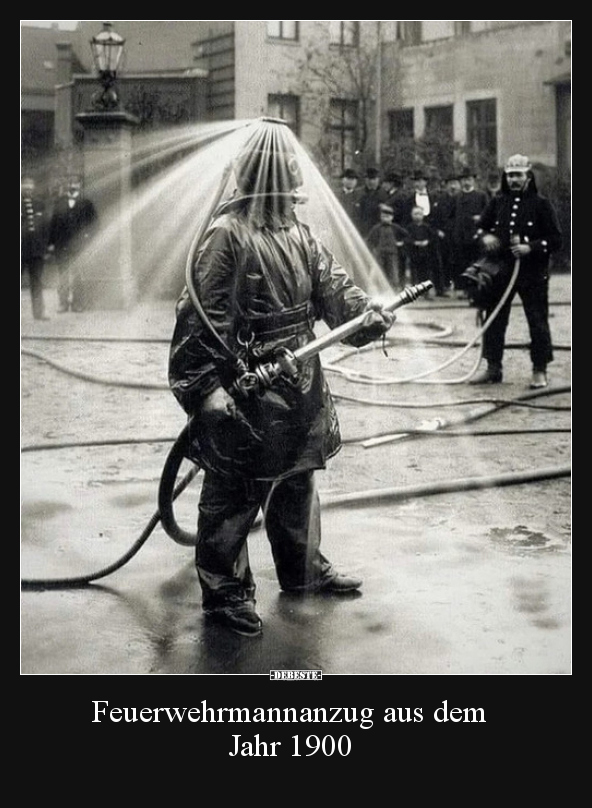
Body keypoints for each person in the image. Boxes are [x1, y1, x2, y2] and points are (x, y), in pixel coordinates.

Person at [168, 122, 395, 637]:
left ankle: (303, 571)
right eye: (285, 180)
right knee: (234, 489)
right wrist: (205, 390)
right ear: (260, 180)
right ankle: (225, 594)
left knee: (297, 479)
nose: (293, 191)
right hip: (246, 384)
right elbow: (198, 321)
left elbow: (333, 288)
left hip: (299, 382)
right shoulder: (226, 237)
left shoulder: (299, 233)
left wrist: (366, 313)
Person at [469, 154, 563, 388]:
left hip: (533, 273)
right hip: (501, 270)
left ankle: (539, 369)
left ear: (528, 176)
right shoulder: (498, 202)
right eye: (510, 175)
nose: (514, 180)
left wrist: (529, 247)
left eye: (518, 175)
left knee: (537, 320)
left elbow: (556, 239)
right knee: (495, 318)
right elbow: (479, 228)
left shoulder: (541, 204)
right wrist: (487, 235)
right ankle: (493, 367)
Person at [47, 175, 98, 312]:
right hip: (61, 245)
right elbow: (53, 224)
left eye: (75, 183)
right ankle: (63, 304)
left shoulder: (86, 202)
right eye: (70, 182)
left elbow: (94, 223)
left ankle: (78, 304)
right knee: (62, 276)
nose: (72, 185)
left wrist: (88, 238)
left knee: (78, 275)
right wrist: (51, 243)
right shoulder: (59, 202)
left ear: (80, 184)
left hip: (79, 246)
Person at [450, 168, 489, 297]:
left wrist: (481, 218)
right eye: (464, 180)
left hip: (476, 234)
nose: (466, 182)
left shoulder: (481, 196)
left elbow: (489, 214)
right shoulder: (456, 197)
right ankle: (462, 289)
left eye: (469, 179)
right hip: (460, 236)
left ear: (473, 180)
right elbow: (451, 216)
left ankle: (474, 290)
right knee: (461, 263)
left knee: (475, 263)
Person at [21, 175, 49, 320]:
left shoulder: (40, 204)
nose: (27, 187)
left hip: (36, 250)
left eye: (30, 184)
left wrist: (45, 247)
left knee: (37, 282)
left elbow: (45, 228)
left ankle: (39, 313)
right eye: (24, 184)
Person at [429, 173, 461, 296]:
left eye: (455, 183)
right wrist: (437, 231)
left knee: (459, 261)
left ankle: (460, 287)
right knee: (443, 262)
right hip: (443, 236)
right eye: (450, 184)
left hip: (459, 235)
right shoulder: (440, 200)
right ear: (446, 185)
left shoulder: (463, 199)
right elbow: (433, 218)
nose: (452, 186)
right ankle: (443, 288)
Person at [366, 203, 409, 290]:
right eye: (383, 216)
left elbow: (407, 236)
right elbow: (369, 240)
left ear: (392, 217)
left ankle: (393, 287)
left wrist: (401, 242)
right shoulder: (376, 228)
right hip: (380, 253)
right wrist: (373, 249)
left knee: (393, 271)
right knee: (379, 270)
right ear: (380, 217)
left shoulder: (396, 227)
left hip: (392, 253)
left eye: (387, 216)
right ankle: (379, 288)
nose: (385, 218)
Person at [403, 205, 442, 292]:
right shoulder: (409, 227)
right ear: (411, 215)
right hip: (414, 252)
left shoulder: (427, 227)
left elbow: (433, 238)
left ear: (423, 215)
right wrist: (414, 242)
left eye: (420, 214)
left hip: (425, 253)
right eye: (415, 214)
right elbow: (406, 238)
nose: (417, 216)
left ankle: (425, 291)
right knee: (414, 273)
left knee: (425, 272)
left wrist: (427, 242)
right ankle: (414, 290)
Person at [356, 167, 383, 238]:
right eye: (368, 179)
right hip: (361, 228)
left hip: (378, 229)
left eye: (374, 179)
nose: (371, 182)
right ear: (365, 180)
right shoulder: (359, 192)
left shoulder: (383, 193)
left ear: (378, 180)